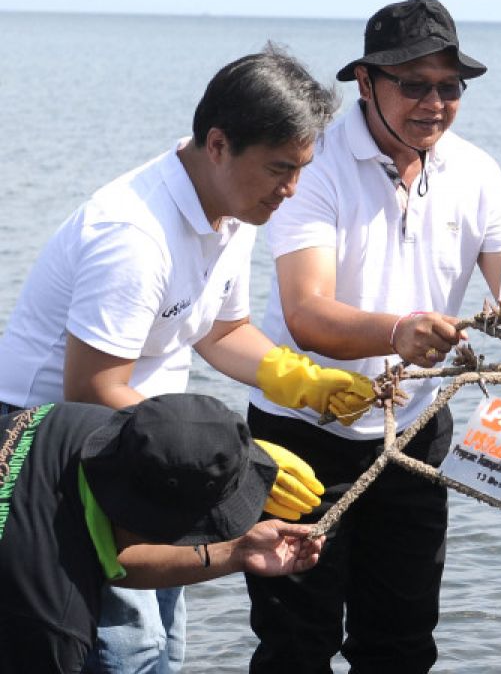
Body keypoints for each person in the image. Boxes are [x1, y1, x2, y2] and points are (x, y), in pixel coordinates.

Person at [0, 46, 375, 674]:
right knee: (126, 649)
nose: (291, 190)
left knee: (166, 643)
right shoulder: (134, 237)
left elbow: (221, 330)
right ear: (220, 144)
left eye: (302, 169)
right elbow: (91, 387)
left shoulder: (232, 204)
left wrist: (299, 380)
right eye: (280, 169)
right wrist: (240, 463)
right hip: (58, 447)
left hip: (153, 446)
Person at [244, 0, 501, 673]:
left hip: (418, 434)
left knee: (401, 645)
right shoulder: (313, 166)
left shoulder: (477, 172)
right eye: (414, 85)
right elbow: (306, 311)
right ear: (365, 83)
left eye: (449, 87)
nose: (434, 103)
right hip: (303, 435)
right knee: (296, 647)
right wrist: (398, 331)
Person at [0, 393, 325, 674]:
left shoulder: (81, 427)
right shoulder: (50, 623)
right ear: (165, 528)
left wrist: (237, 552)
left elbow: (114, 554)